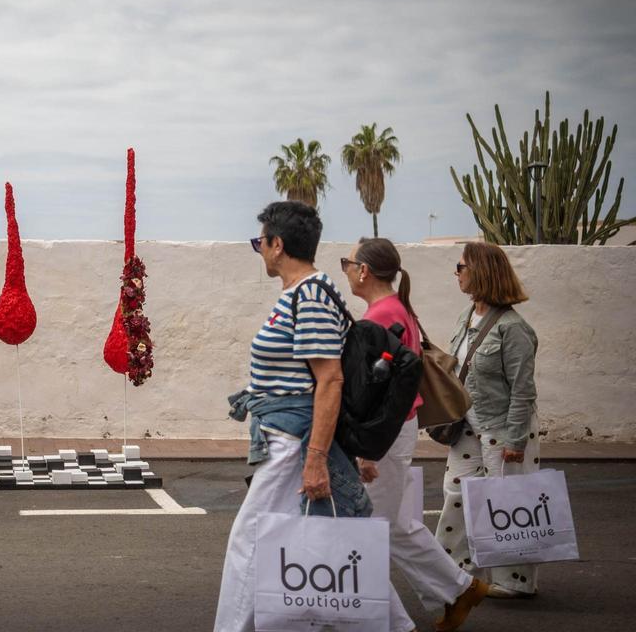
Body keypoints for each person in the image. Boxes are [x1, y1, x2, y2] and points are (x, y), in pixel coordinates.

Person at [214, 201, 369, 632]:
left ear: (277, 244)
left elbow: (330, 381)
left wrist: (315, 457)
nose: (258, 250)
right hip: (286, 437)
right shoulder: (300, 294)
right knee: (329, 541)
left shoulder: (311, 296)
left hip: (292, 442)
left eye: (258, 242)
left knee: (251, 542)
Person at [342, 238, 487, 632]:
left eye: (347, 263)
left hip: (385, 436)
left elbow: (377, 393)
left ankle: (395, 622)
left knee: (368, 530)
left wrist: (366, 450)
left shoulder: (379, 318)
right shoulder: (397, 309)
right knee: (397, 525)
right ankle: (459, 589)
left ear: (364, 271)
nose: (346, 270)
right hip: (399, 429)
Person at [436, 241, 540, 599]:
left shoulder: (513, 328)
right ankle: (455, 571)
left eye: (460, 266)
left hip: (501, 428)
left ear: (481, 271)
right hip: (467, 425)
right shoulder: (466, 318)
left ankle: (514, 581)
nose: (456, 273)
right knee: (456, 493)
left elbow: (522, 390)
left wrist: (516, 440)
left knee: (506, 503)